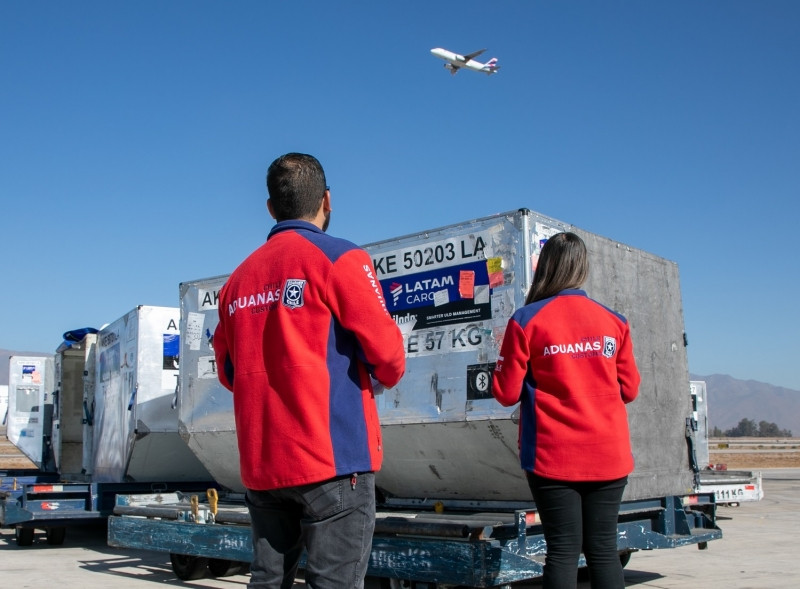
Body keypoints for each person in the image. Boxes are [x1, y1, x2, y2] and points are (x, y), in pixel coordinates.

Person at [213, 152, 406, 589]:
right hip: (332, 463)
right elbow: (389, 359)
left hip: (264, 464)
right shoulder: (341, 258)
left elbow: (228, 369)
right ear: (327, 200)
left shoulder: (236, 282)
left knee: (268, 580)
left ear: (270, 207)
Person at [491, 231, 640, 589]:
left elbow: (506, 392)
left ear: (546, 268)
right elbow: (630, 389)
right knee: (604, 549)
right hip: (608, 455)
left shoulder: (526, 320)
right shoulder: (614, 321)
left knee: (562, 551)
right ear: (582, 268)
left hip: (553, 457)